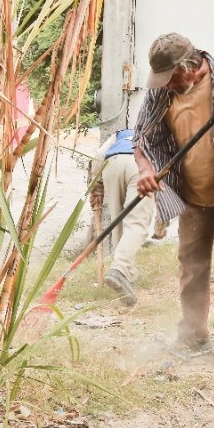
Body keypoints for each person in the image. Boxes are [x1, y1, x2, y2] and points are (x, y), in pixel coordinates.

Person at [135, 33, 214, 364]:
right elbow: (142, 139)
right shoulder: (161, 90)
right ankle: (192, 334)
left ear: (189, 66)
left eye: (172, 77)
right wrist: (147, 171)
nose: (167, 85)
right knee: (191, 263)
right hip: (191, 189)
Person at [89, 128, 153, 305]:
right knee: (137, 223)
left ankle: (126, 273)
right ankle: (120, 269)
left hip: (112, 163)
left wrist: (97, 187)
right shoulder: (157, 129)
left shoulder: (120, 134)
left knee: (118, 220)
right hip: (141, 166)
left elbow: (99, 155)